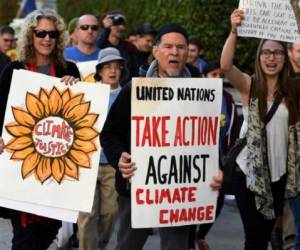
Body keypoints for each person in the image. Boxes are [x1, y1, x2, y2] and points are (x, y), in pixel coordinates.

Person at [100, 23, 223, 250]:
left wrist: (216, 170)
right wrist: (120, 158)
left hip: (182, 192)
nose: (174, 52)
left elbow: (210, 140)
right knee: (128, 245)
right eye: (167, 46)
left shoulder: (202, 93)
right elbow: (109, 134)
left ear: (188, 52)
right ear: (156, 51)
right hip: (137, 187)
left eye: (180, 47)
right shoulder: (134, 89)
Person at [0, 9, 80, 250]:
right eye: (41, 33)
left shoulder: (70, 71)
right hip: (21, 164)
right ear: (30, 36)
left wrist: (75, 90)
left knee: (46, 234)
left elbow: (82, 118)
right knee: (24, 237)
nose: (47, 38)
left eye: (52, 34)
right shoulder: (14, 70)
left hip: (57, 169)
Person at [220, 9, 300, 250]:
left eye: (277, 53)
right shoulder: (249, 84)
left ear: (285, 58)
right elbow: (225, 65)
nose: (271, 58)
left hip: (278, 175)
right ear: (259, 56)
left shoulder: (294, 90)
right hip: (248, 173)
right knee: (254, 238)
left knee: (264, 237)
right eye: (266, 52)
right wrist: (234, 30)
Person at [77, 47, 125, 250]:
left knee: (110, 212)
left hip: (113, 165)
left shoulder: (127, 95)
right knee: (87, 214)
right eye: (107, 67)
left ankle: (100, 245)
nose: (112, 71)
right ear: (99, 70)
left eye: (117, 67)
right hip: (87, 162)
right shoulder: (86, 92)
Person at [97, 10, 139, 85]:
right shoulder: (100, 45)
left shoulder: (129, 47)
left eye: (124, 24)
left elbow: (135, 73)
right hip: (102, 91)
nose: (121, 27)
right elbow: (97, 48)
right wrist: (106, 29)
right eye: (117, 23)